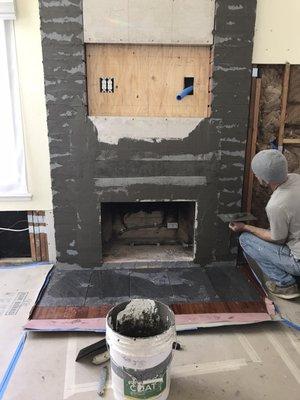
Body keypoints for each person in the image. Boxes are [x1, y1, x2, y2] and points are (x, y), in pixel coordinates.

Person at [229, 149, 300, 299]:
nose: (255, 176)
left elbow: (278, 239)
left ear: (266, 179)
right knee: (269, 230)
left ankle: (285, 284)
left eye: (256, 174)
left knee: (246, 239)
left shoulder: (276, 205)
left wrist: (245, 227)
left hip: (298, 261)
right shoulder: (296, 178)